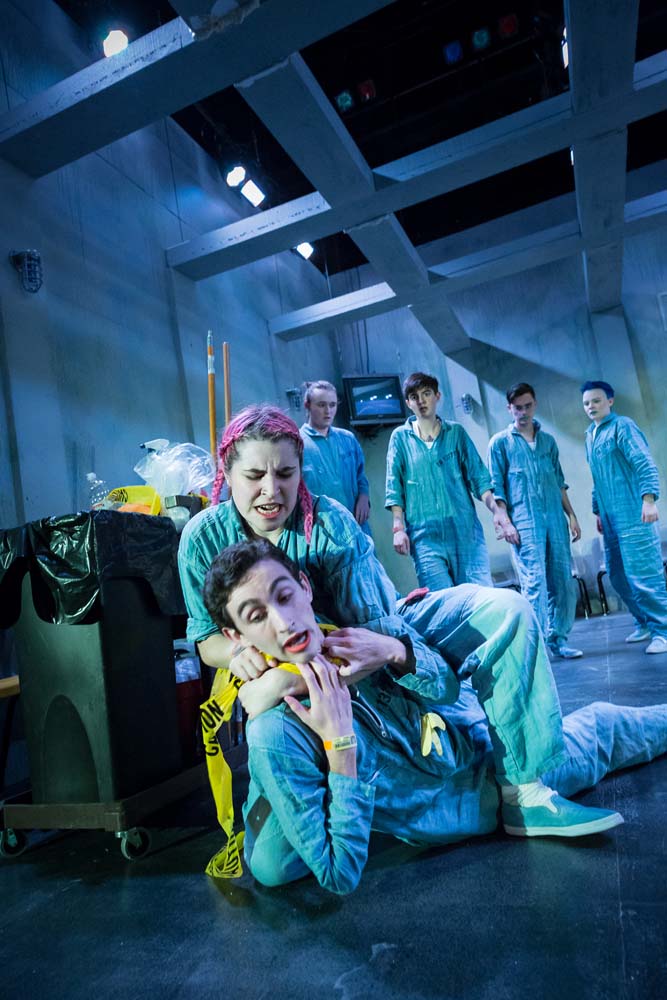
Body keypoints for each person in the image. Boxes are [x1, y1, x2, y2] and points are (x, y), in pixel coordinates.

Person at [202, 538, 667, 894]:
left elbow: (446, 688)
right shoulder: (276, 727)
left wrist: (394, 651)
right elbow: (339, 873)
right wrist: (340, 744)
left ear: (305, 587)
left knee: (604, 732)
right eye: (255, 616)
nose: (282, 621)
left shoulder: (357, 635)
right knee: (272, 864)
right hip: (457, 807)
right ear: (234, 636)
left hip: (481, 760)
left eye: (284, 596)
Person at [385, 372, 519, 589]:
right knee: (444, 601)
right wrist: (398, 528)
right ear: (408, 403)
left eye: (426, 393)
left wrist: (498, 511)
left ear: (437, 396)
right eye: (414, 397)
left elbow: (479, 478)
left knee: (478, 596)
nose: (421, 401)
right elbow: (394, 485)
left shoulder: (455, 433)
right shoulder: (400, 438)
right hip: (425, 537)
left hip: (465, 532)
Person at [487, 382, 583, 659]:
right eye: (518, 408)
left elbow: (559, 483)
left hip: (555, 518)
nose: (524, 412)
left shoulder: (548, 442)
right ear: (510, 409)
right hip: (524, 523)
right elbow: (496, 488)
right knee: (535, 583)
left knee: (563, 581)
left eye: (528, 406)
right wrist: (506, 522)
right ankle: (535, 647)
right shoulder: (500, 444)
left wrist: (572, 515)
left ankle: (558, 639)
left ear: (535, 404)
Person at [582, 381, 667, 654]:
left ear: (610, 401)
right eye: (586, 403)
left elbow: (644, 462)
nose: (591, 406)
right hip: (610, 517)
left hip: (634, 512)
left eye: (596, 400)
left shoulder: (623, 427)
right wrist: (597, 510)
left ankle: (663, 630)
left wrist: (649, 499)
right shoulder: (590, 435)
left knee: (644, 574)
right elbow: (597, 477)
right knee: (617, 575)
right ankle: (644, 622)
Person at [299, 380, 371, 536]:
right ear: (307, 405)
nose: (328, 411)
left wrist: (364, 497)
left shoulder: (348, 439)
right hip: (322, 531)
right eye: (321, 405)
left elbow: (360, 476)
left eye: (332, 405)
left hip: (356, 526)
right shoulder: (297, 444)